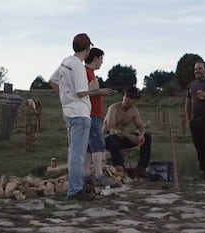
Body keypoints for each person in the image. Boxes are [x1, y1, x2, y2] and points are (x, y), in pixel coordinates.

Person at [49, 33, 97, 200]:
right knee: (78, 154)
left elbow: (53, 81)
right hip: (81, 114)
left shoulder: (65, 62)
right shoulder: (78, 66)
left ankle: (76, 187)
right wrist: (93, 88)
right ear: (87, 48)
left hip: (68, 112)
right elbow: (82, 91)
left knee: (73, 152)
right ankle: (75, 190)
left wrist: (65, 97)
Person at [82, 47, 116, 186]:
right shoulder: (85, 72)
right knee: (97, 144)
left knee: (89, 147)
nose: (102, 62)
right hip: (91, 113)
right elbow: (84, 92)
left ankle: (85, 174)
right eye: (101, 59)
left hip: (93, 113)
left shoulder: (90, 73)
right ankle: (99, 175)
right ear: (95, 58)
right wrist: (100, 91)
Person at [103, 87, 151, 177]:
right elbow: (111, 128)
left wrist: (141, 135)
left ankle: (141, 167)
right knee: (113, 138)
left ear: (135, 100)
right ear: (123, 96)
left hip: (121, 137)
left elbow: (140, 126)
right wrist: (129, 136)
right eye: (127, 96)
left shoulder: (134, 111)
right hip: (107, 139)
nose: (128, 100)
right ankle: (119, 166)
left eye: (131, 98)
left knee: (147, 137)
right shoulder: (113, 108)